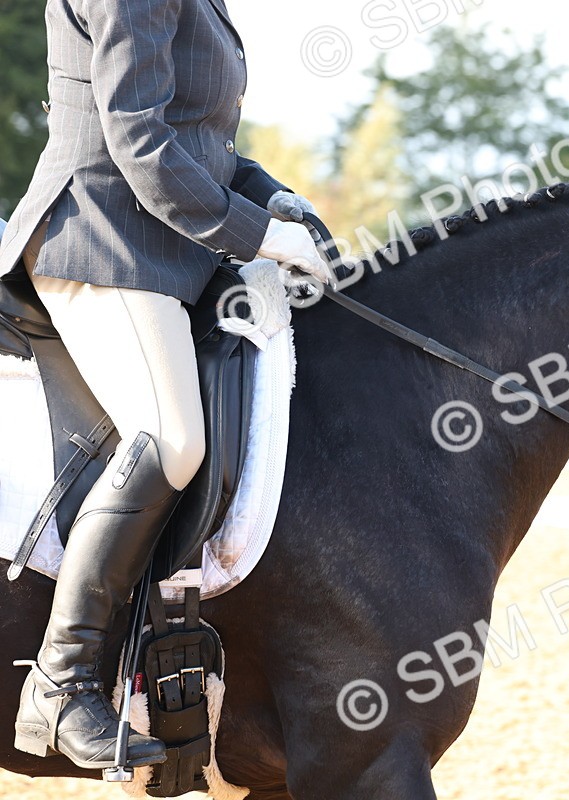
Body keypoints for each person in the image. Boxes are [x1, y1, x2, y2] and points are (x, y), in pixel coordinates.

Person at [0, 0, 330, 771]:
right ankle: (61, 680)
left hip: (168, 251)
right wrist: (257, 235)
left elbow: (196, 141)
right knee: (172, 437)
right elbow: (139, 138)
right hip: (102, 240)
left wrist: (269, 194)